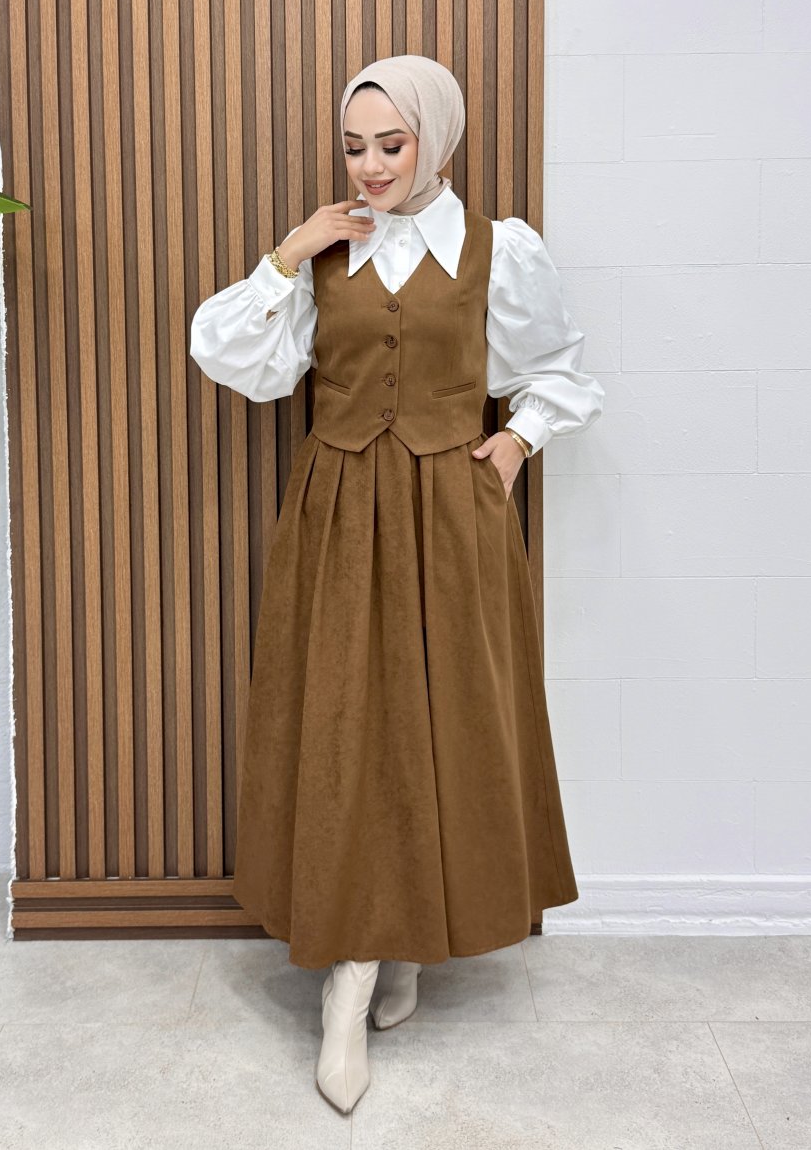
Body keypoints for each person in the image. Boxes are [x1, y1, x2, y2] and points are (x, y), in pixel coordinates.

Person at [189, 54, 605, 1114]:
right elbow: (234, 359)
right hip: (337, 515)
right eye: (354, 146)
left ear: (436, 139)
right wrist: (287, 254)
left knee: (443, 725)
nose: (370, 166)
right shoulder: (327, 251)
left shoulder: (497, 249)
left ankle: (405, 940)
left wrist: (514, 445)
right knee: (347, 729)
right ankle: (352, 973)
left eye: (392, 143)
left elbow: (558, 369)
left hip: (452, 521)